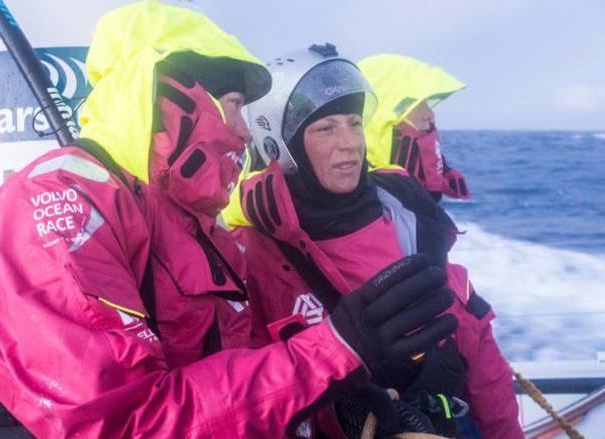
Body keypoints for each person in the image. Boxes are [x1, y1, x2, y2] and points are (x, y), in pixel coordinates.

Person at [0, 4, 456, 438]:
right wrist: (334, 351)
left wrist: (340, 391)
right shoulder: (56, 209)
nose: (240, 134)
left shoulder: (193, 224)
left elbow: (231, 367)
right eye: (232, 106)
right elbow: (127, 422)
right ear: (164, 92)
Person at [223, 44, 523, 438]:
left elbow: (477, 347)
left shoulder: (408, 219)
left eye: (354, 122)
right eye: (325, 128)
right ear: (279, 145)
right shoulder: (251, 253)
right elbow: (248, 397)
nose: (349, 142)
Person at [359, 54, 470, 202]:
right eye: (413, 104)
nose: (430, 114)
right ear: (377, 119)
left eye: (426, 103)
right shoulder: (367, 208)